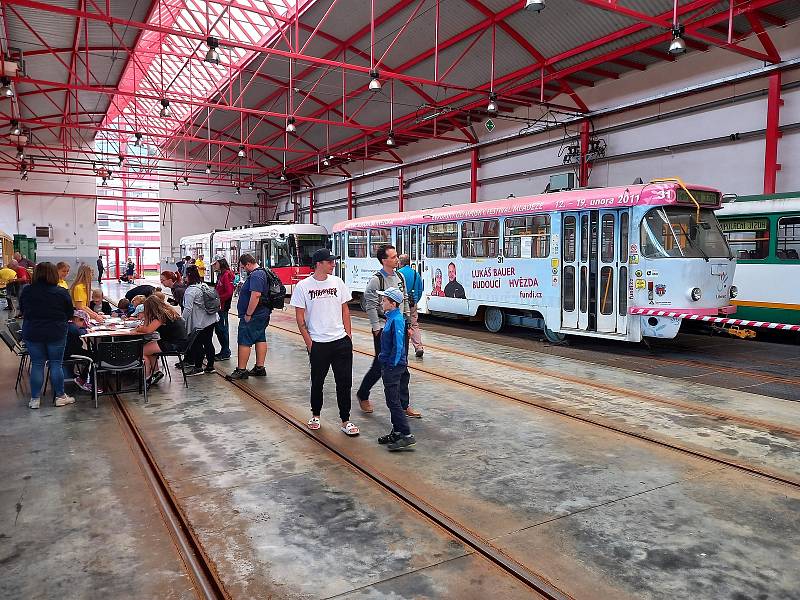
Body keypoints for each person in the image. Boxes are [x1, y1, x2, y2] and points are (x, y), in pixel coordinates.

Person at [290, 248, 359, 436]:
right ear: (318, 264)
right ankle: (316, 415)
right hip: (318, 343)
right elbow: (299, 316)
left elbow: (345, 310)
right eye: (329, 262)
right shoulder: (303, 286)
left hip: (340, 341)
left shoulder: (338, 282)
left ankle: (346, 420)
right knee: (317, 381)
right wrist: (310, 343)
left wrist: (348, 336)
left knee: (344, 382)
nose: (333, 264)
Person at [356, 244, 421, 418]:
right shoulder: (376, 280)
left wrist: (408, 324)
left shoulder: (400, 276)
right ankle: (363, 394)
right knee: (379, 366)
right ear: (384, 261)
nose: (397, 259)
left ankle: (403, 404)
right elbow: (369, 305)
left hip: (400, 327)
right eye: (393, 257)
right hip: (384, 329)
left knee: (402, 365)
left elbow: (405, 300)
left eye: (397, 256)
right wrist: (376, 328)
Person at [19, 262, 76, 409]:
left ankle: (35, 399)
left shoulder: (26, 291)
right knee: (56, 363)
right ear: (53, 274)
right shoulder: (61, 292)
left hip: (33, 331)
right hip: (56, 331)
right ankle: (60, 396)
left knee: (37, 364)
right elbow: (70, 314)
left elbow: (23, 310)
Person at [375, 287, 416, 451]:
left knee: (393, 401)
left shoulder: (397, 320)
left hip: (393, 366)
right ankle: (397, 431)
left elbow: (399, 345)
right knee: (392, 400)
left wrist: (391, 364)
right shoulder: (391, 317)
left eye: (384, 300)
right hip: (389, 364)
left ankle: (406, 434)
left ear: (392, 303)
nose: (381, 302)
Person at [225, 254, 271, 381]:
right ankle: (260, 368)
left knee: (244, 339)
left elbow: (255, 295)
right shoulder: (264, 272)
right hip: (263, 313)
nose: (243, 270)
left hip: (254, 315)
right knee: (260, 337)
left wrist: (248, 314)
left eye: (243, 267)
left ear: (248, 264)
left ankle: (241, 370)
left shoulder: (256, 275)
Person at [134, 295, 187, 385]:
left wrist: (139, 328)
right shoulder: (167, 311)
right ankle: (156, 372)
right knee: (149, 348)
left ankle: (147, 378)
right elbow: (148, 327)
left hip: (173, 344)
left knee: (141, 351)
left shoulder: (160, 316)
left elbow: (148, 330)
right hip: (179, 341)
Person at [181, 265, 218, 377]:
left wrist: (182, 322)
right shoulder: (204, 285)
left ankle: (198, 367)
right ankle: (210, 366)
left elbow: (188, 309)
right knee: (208, 342)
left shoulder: (190, 291)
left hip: (199, 322)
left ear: (188, 276)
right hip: (211, 319)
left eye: (185, 276)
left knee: (196, 344)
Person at [398, 254, 424, 358]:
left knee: (400, 325)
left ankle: (400, 348)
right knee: (414, 324)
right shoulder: (415, 274)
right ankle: (418, 347)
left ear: (400, 263)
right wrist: (415, 300)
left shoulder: (398, 274)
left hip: (401, 304)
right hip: (412, 303)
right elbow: (420, 289)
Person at [213, 258, 235, 360]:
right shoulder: (221, 274)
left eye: (215, 263)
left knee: (222, 329)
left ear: (220, 263)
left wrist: (219, 299)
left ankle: (226, 351)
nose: (214, 265)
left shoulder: (226, 275)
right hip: (219, 305)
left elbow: (229, 292)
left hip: (222, 306)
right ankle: (224, 350)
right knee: (219, 329)